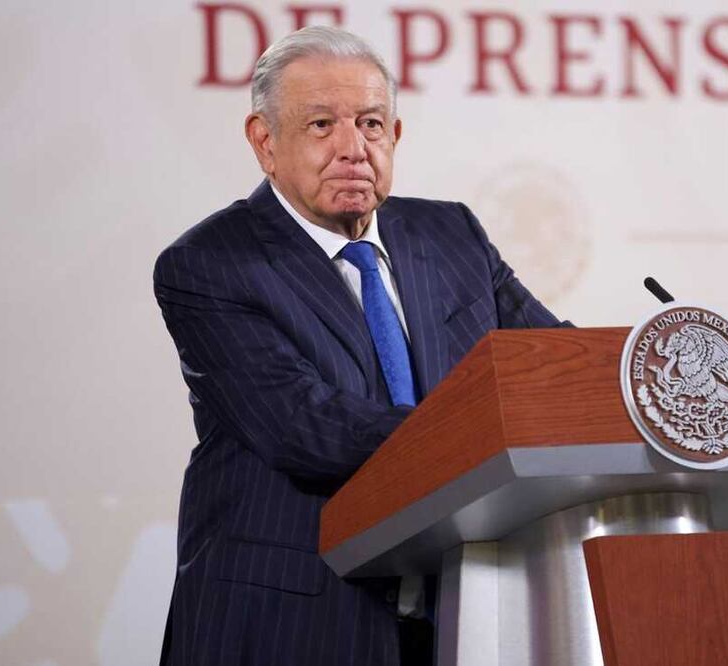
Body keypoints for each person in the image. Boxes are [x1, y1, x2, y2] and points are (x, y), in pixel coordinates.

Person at [153, 25, 565, 666]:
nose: (353, 148)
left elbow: (551, 363)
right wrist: (482, 433)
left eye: (371, 124)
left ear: (395, 136)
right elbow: (303, 426)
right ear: (265, 142)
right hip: (291, 619)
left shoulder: (451, 232)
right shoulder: (210, 264)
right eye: (321, 126)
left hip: (463, 613)